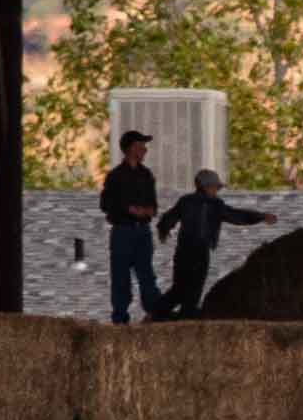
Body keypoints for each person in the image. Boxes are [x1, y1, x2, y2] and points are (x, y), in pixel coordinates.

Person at [152, 169, 277, 321]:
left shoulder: (186, 201)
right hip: (199, 253)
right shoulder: (215, 205)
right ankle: (183, 318)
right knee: (193, 292)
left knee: (179, 289)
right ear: (204, 186)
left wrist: (163, 229)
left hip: (183, 252)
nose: (216, 191)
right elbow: (237, 216)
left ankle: (158, 314)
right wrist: (261, 216)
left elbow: (169, 217)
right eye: (214, 187)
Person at [100, 130, 163, 324]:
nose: (144, 149)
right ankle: (120, 319)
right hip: (123, 231)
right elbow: (105, 204)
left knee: (147, 275)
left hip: (142, 231)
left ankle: (154, 314)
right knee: (121, 276)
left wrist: (148, 211)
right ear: (130, 148)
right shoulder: (115, 176)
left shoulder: (147, 175)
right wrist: (128, 210)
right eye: (141, 145)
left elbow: (154, 205)